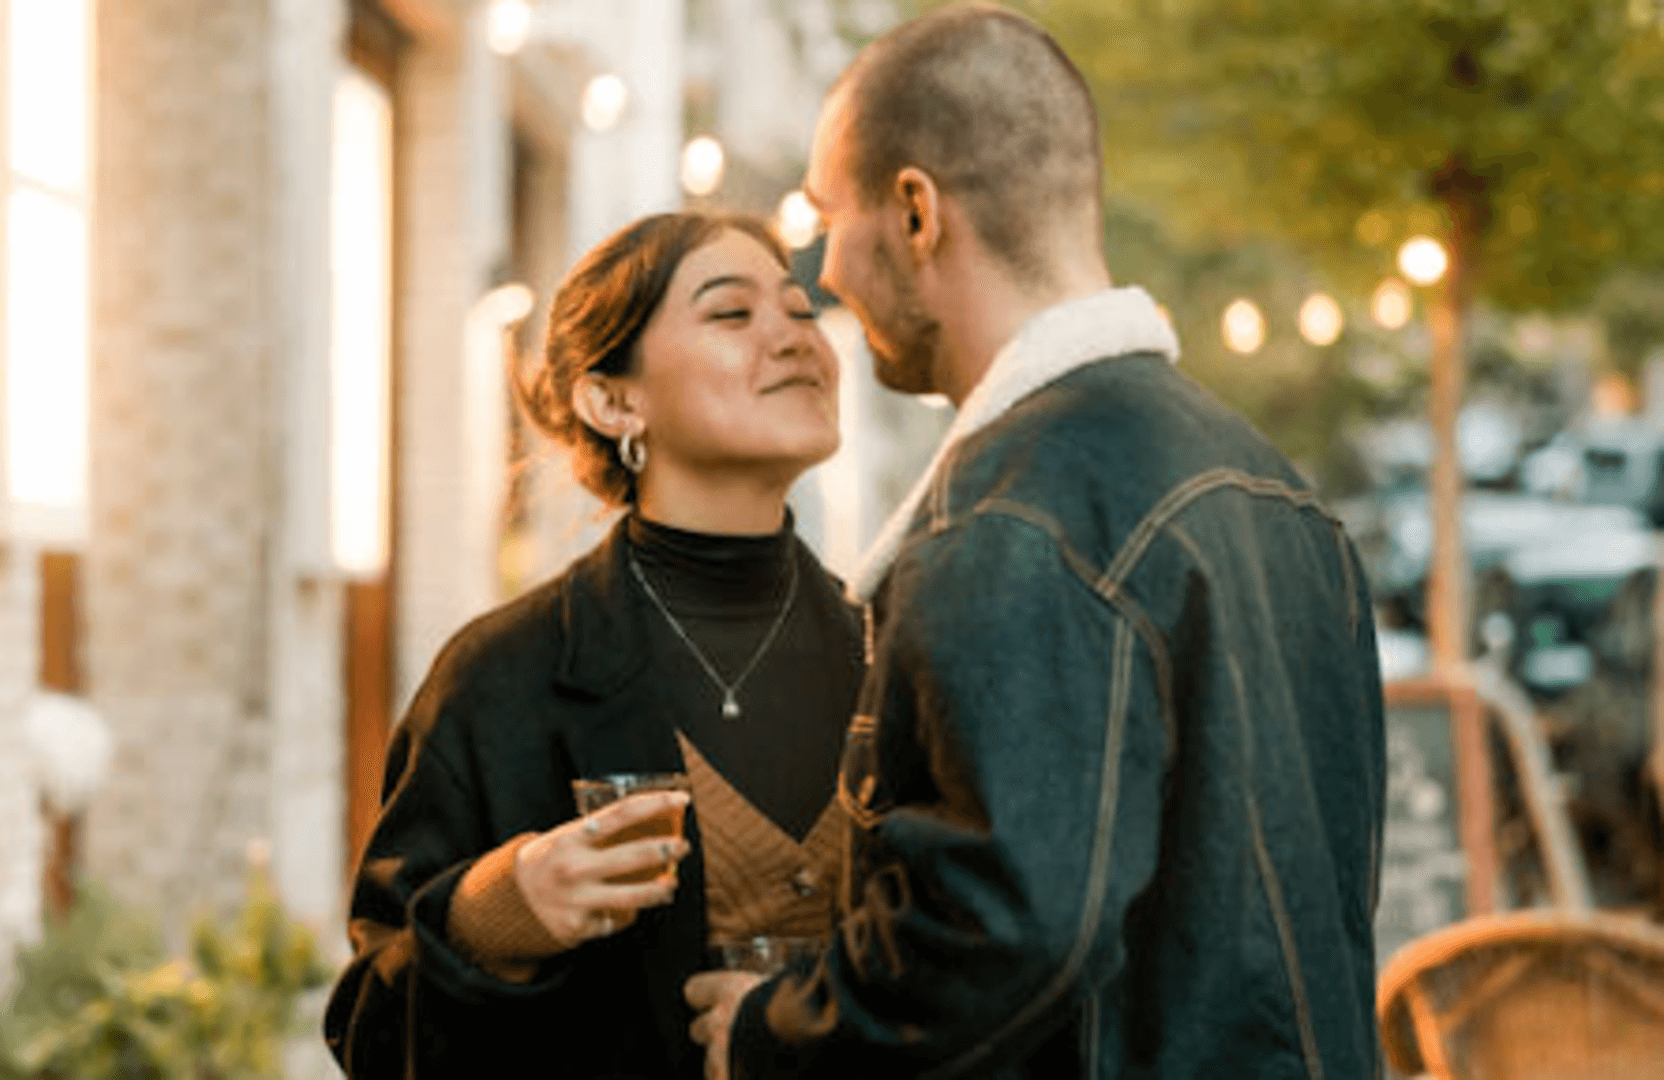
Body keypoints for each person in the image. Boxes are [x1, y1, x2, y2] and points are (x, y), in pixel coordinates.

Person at [685, 6, 1387, 1078]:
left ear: (916, 212)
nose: (824, 274)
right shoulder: (1279, 492)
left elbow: (1003, 928)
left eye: (832, 221)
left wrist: (768, 1030)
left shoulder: (1011, 519)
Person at [323, 212, 866, 1079]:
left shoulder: (894, 656)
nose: (794, 338)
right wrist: (493, 918)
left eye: (801, 311)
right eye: (732, 314)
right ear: (614, 401)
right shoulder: (500, 678)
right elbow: (370, 1036)